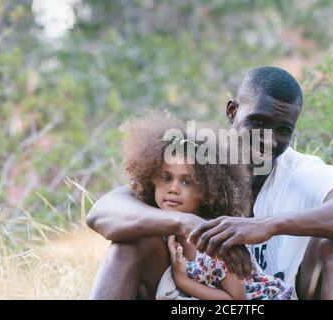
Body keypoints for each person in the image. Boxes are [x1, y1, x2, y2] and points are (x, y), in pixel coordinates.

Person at [87, 66, 333, 300]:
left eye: (283, 129)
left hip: (277, 295)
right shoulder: (197, 159)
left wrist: (270, 225)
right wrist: (184, 223)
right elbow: (103, 213)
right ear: (232, 111)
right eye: (258, 121)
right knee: (128, 244)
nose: (268, 139)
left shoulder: (302, 172)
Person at [90, 114, 296, 300]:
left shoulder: (217, 242)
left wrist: (184, 282)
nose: (173, 189)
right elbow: (97, 217)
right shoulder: (156, 225)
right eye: (166, 178)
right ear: (151, 178)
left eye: (186, 182)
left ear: (207, 190)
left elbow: (237, 301)